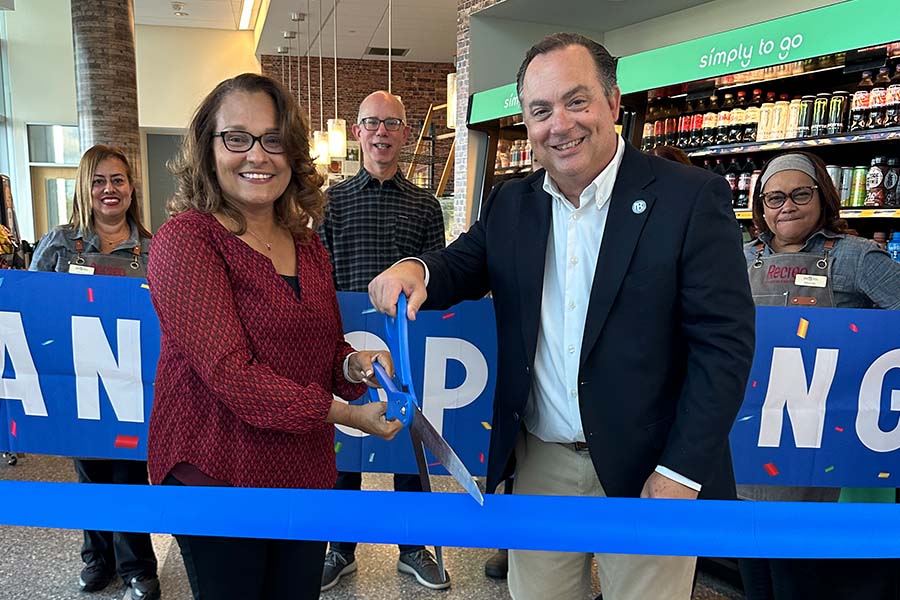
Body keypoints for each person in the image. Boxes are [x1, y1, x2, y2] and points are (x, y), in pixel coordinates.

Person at [368, 32, 756, 600]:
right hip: (542, 461)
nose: (560, 124)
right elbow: (459, 264)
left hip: (653, 464)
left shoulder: (689, 198)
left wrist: (680, 472)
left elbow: (723, 347)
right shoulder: (512, 203)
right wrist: (414, 269)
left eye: (577, 101)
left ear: (613, 103)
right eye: (540, 110)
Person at [145, 73, 402, 600]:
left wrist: (355, 366)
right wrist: (350, 415)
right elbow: (230, 375)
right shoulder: (186, 240)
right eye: (236, 137)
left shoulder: (306, 245)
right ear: (207, 148)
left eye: (273, 140)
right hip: (216, 472)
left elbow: (325, 348)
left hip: (302, 472)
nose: (257, 155)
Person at [739, 151, 900, 600]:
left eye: (799, 194)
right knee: (753, 564)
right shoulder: (740, 256)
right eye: (773, 198)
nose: (785, 206)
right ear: (761, 206)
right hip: (749, 435)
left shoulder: (855, 257)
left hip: (818, 440)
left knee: (800, 573)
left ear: (823, 197)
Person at [317, 90, 449, 592]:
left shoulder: (425, 206)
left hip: (406, 346)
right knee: (344, 445)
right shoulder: (331, 202)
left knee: (408, 436)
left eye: (392, 124)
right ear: (357, 132)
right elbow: (319, 275)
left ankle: (413, 547)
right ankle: (340, 549)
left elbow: (436, 279)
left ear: (405, 134)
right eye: (372, 122)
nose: (381, 132)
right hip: (347, 347)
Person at [29, 144, 160, 600]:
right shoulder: (58, 245)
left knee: (128, 472)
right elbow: (32, 307)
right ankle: (97, 559)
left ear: (131, 188)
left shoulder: (153, 247)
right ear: (85, 187)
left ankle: (138, 567)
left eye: (118, 180)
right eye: (99, 180)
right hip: (76, 382)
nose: (110, 189)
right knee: (89, 471)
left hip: (133, 384)